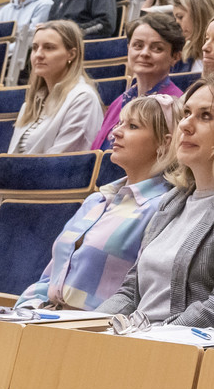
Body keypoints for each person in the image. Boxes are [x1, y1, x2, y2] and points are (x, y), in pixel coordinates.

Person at [100, 73, 214, 327]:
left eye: (205, 116)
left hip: (180, 343)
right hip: (140, 337)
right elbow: (130, 292)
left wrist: (153, 337)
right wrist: (86, 327)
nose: (185, 125)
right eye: (186, 113)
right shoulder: (173, 199)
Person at [17, 93, 175, 309]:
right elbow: (49, 278)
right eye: (119, 123)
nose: (115, 132)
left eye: (133, 126)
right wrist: (24, 309)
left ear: (164, 142)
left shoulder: (162, 207)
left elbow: (141, 295)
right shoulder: (97, 200)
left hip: (96, 324)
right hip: (46, 318)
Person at [89, 13, 186, 150]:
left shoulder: (174, 107)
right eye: (138, 45)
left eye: (157, 48)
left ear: (175, 57)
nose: (144, 53)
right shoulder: (118, 102)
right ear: (128, 48)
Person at [8, 21, 105, 154]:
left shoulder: (83, 98)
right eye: (35, 48)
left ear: (71, 54)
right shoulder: (31, 103)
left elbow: (61, 162)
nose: (38, 54)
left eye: (49, 48)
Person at [170, 0, 214, 72]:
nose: (176, 23)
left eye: (180, 17)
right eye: (176, 18)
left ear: (198, 16)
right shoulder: (181, 54)